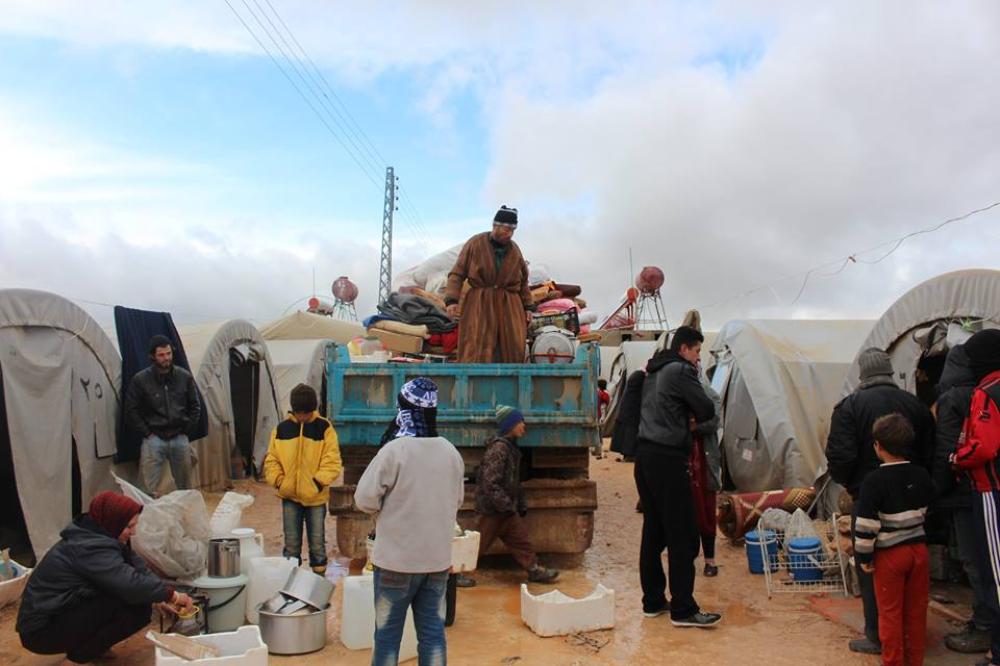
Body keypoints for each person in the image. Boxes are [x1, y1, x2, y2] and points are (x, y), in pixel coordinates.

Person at [825, 348, 935, 655]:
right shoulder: (915, 405)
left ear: (862, 375)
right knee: (914, 583)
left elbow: (840, 455)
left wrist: (853, 484)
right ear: (888, 372)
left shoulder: (850, 406)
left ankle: (877, 637)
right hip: (912, 500)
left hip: (869, 496)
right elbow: (931, 451)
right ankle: (912, 641)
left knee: (875, 572)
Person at [355, 378, 465, 666]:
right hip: (437, 564)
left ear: (403, 409)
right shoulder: (451, 453)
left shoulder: (395, 451)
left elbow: (364, 499)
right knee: (432, 635)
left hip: (396, 564)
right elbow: (457, 501)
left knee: (387, 636)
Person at [17, 491, 195, 663]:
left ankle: (92, 648)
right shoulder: (89, 547)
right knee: (136, 607)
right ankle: (77, 658)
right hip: (41, 631)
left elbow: (137, 567)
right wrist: (173, 596)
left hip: (60, 612)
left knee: (133, 597)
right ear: (113, 522)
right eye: (129, 526)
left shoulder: (101, 534)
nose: (133, 532)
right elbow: (130, 584)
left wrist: (159, 597)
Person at [635, 325, 721, 628]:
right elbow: (707, 407)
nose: (698, 358)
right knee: (683, 535)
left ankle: (653, 601)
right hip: (669, 460)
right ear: (684, 348)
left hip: (645, 458)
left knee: (654, 531)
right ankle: (683, 609)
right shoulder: (681, 371)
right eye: (697, 351)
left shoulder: (653, 371)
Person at [854, 414, 934, 666]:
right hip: (918, 551)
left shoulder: (873, 482)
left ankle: (893, 662)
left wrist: (864, 557)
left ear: (878, 446)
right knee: (916, 612)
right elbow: (928, 509)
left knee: (890, 614)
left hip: (890, 555)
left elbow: (866, 526)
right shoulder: (921, 474)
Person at [933, 343, 996, 654]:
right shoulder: (984, 391)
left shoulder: (956, 397)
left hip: (970, 491)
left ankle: (985, 627)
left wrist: (936, 488)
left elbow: (948, 447)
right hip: (985, 489)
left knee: (979, 563)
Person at [456, 406, 559, 588]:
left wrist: (518, 504)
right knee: (477, 543)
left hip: (504, 509)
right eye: (520, 422)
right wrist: (505, 504)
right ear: (510, 426)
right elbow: (490, 482)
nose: (523, 426)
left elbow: (512, 481)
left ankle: (533, 570)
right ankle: (457, 574)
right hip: (492, 510)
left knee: (522, 541)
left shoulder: (509, 448)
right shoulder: (499, 449)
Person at [949, 329, 1000, 666]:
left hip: (991, 491)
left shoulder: (986, 393)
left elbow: (984, 446)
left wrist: (957, 458)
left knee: (995, 574)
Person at [263, 383, 343, 575]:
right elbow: (271, 459)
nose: (303, 417)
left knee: (317, 542)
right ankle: (291, 581)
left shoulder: (324, 428)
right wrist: (280, 482)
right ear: (293, 410)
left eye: (307, 412)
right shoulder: (282, 429)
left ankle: (319, 577)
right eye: (299, 412)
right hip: (290, 497)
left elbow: (332, 461)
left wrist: (317, 483)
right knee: (291, 543)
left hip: (315, 497)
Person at [444, 206, 535, 363]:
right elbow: (457, 274)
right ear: (495, 226)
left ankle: (508, 384)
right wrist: (452, 301)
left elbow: (523, 282)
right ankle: (474, 384)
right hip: (480, 304)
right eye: (506, 228)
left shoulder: (515, 250)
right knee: (476, 345)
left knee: (511, 346)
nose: (509, 233)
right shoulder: (476, 244)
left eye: (513, 230)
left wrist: (528, 306)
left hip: (509, 306)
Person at [124, 334, 202, 495]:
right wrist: (148, 433)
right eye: (161, 355)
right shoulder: (141, 380)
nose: (166, 358)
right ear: (152, 356)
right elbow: (131, 410)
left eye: (168, 354)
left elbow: (195, 406)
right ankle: (146, 517)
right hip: (154, 438)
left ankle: (185, 517)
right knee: (146, 488)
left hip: (179, 437)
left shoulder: (184, 377)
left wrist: (185, 430)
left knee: (186, 487)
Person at [690, 375, 723, 577]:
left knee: (707, 510)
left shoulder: (708, 393)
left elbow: (714, 420)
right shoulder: (675, 391)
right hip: (686, 460)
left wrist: (694, 427)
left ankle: (709, 560)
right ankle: (688, 559)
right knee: (688, 511)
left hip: (705, 460)